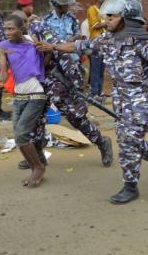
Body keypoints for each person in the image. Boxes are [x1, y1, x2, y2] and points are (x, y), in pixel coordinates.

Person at [37, 0, 148, 204]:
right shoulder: (106, 40)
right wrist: (53, 47)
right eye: (107, 16)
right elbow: (79, 46)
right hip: (121, 101)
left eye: (112, 16)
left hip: (144, 101)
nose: (107, 19)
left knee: (128, 140)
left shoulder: (143, 43)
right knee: (126, 139)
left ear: (127, 18)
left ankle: (130, 186)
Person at [27, 15, 114, 169]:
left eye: (12, 29)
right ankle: (37, 157)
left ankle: (102, 142)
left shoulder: (39, 29)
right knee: (35, 118)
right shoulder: (12, 39)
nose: (8, 32)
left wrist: (75, 83)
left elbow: (61, 51)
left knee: (75, 117)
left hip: (56, 81)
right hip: (36, 84)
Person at [0, 15, 46, 187]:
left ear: (21, 29)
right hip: (19, 95)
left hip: (36, 93)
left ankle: (38, 168)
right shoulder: (3, 47)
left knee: (22, 132)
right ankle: (36, 165)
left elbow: (47, 57)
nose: (7, 32)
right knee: (18, 135)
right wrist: (0, 80)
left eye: (11, 29)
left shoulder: (33, 41)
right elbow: (3, 71)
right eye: (5, 29)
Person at [87, 0, 109, 98]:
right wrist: (109, 23)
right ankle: (94, 93)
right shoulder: (92, 9)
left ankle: (99, 92)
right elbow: (95, 26)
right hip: (95, 43)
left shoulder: (105, 11)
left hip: (104, 43)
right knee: (95, 69)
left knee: (101, 69)